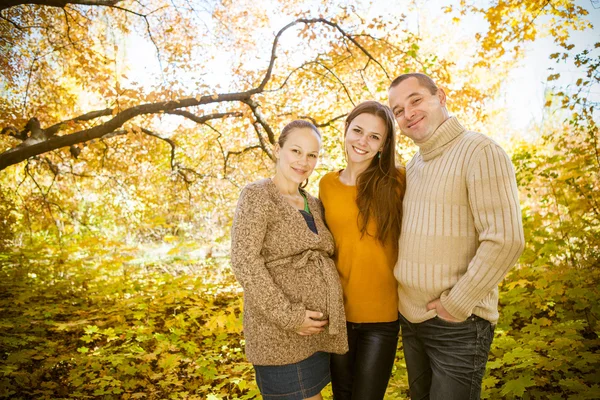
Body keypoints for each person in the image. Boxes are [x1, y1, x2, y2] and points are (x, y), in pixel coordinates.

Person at [387, 73, 525, 399]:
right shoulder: (415, 165)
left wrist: (457, 303)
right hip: (412, 318)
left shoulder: (480, 151)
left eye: (416, 100)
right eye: (398, 110)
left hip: (458, 324)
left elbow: (505, 240)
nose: (408, 113)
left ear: (441, 96)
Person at [230, 120, 348, 400]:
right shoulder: (258, 195)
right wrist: (291, 317)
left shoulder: (313, 202)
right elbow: (245, 262)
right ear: (277, 149)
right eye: (296, 151)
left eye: (312, 155)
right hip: (279, 335)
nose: (303, 161)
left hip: (315, 336)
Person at [319, 101, 406, 399]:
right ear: (345, 130)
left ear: (383, 145)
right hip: (337, 315)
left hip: (381, 318)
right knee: (342, 395)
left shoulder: (398, 180)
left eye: (374, 137)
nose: (362, 141)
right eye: (357, 130)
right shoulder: (326, 184)